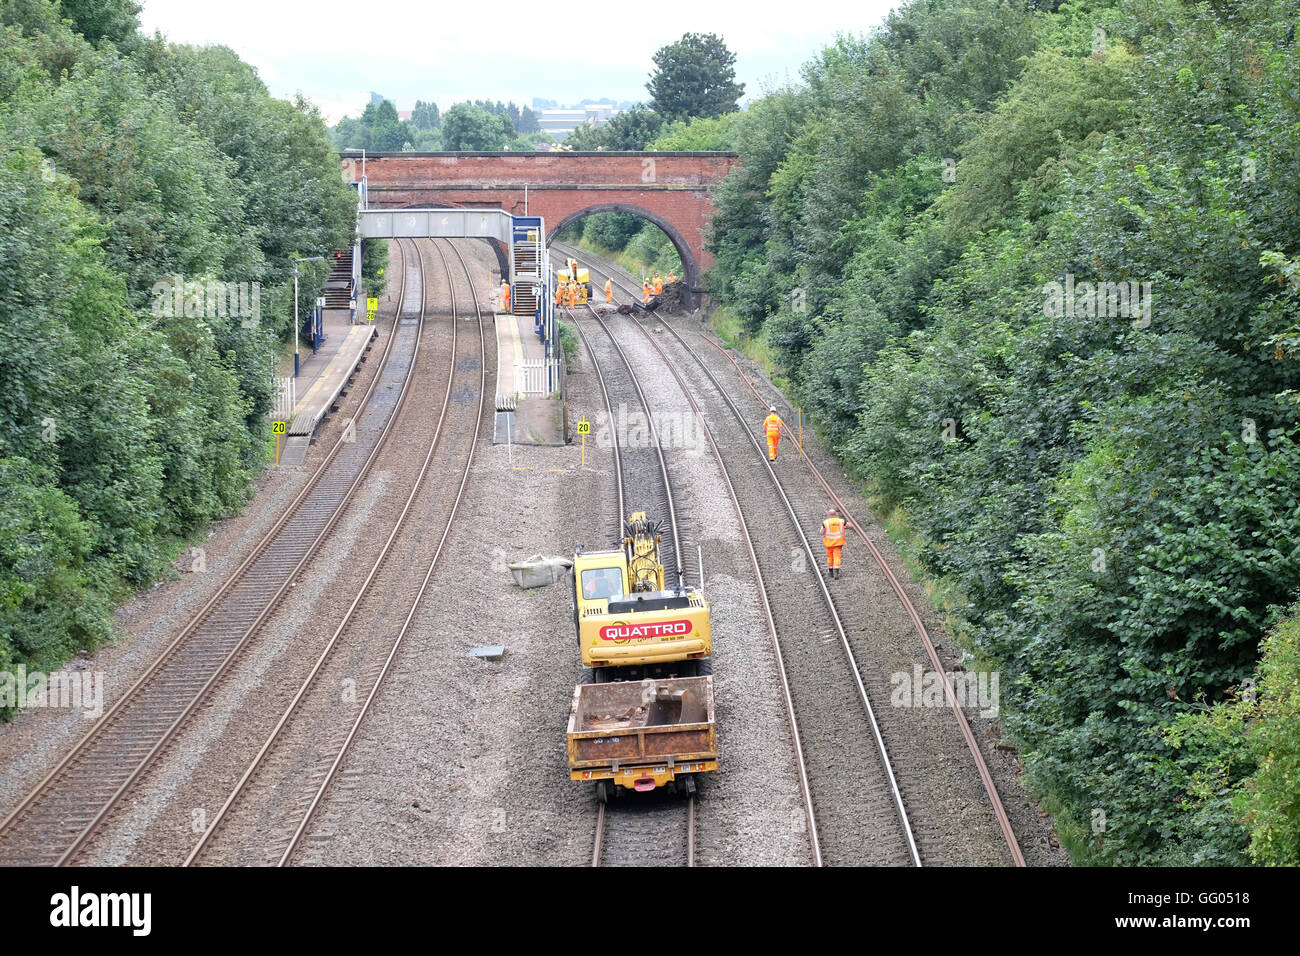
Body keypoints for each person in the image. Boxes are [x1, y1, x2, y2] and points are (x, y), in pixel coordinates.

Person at [821, 508, 849, 578]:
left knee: (830, 557)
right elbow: (849, 525)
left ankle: (831, 572)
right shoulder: (841, 521)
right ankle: (836, 571)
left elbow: (821, 532)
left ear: (829, 515)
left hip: (829, 543)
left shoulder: (826, 522)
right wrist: (844, 527)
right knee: (837, 557)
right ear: (836, 514)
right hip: (838, 543)